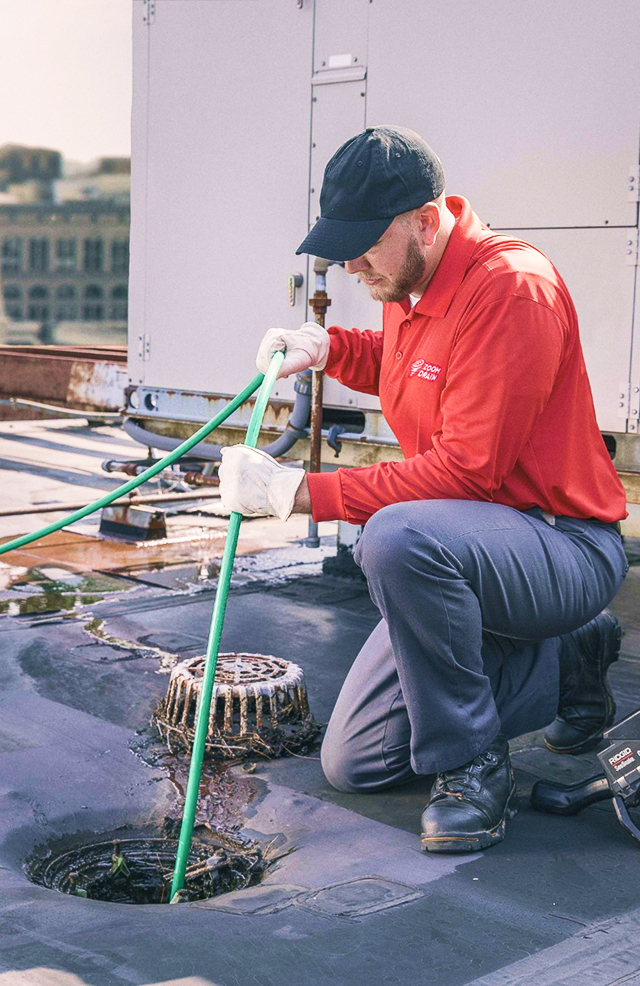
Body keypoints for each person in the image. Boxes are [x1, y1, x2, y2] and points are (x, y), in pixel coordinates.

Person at [218, 126, 629, 852]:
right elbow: (409, 361)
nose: (351, 265)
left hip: (560, 544)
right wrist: (329, 349)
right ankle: (566, 660)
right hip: (474, 548)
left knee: (398, 538)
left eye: (364, 245)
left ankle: (472, 763)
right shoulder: (409, 279)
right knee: (357, 762)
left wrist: (300, 493)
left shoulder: (512, 290)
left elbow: (466, 471)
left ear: (426, 222)